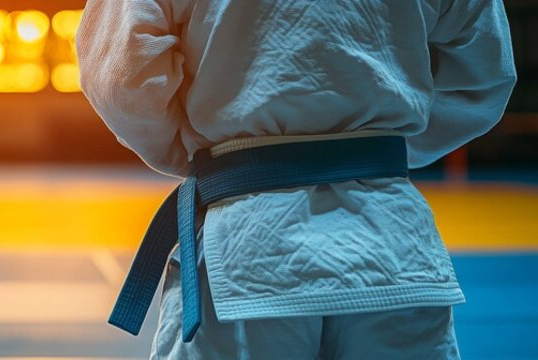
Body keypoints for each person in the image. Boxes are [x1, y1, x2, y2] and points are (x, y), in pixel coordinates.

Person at [76, 0, 516, 359]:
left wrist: (202, 151)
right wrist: (379, 149)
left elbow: (123, 74)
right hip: (392, 239)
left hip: (249, 240)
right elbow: (486, 70)